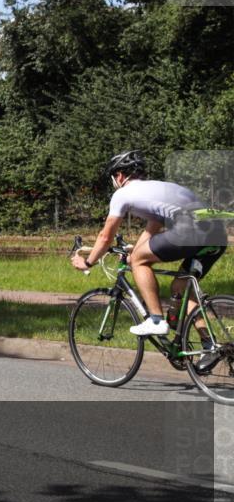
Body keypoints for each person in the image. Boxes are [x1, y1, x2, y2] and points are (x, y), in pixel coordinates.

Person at [71, 150, 227, 365]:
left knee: (139, 261)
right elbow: (153, 229)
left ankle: (155, 320)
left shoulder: (122, 194)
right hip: (216, 234)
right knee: (181, 288)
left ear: (119, 176)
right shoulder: (158, 188)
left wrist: (88, 262)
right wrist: (136, 251)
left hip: (190, 230)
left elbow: (105, 235)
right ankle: (209, 346)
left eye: (114, 177)